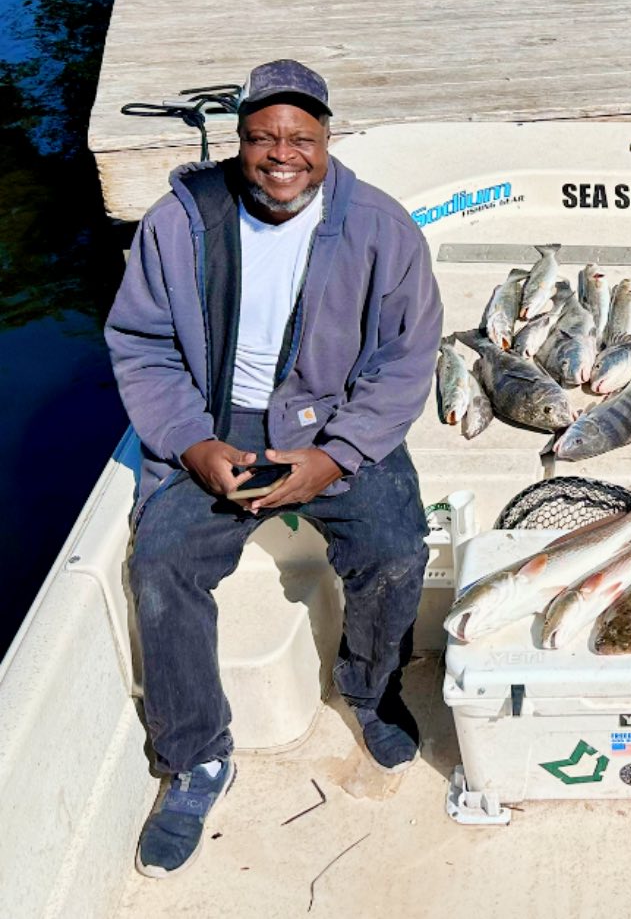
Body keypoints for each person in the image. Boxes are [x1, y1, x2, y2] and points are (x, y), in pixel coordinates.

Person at [105, 59, 443, 878]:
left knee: (397, 546)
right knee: (159, 565)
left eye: (300, 137)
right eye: (263, 137)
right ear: (240, 141)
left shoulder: (381, 227)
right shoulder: (179, 223)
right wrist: (193, 445)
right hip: (214, 423)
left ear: (327, 139)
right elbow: (143, 345)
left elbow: (403, 362)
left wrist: (332, 457)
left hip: (334, 422)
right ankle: (195, 756)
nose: (281, 154)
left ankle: (368, 689)